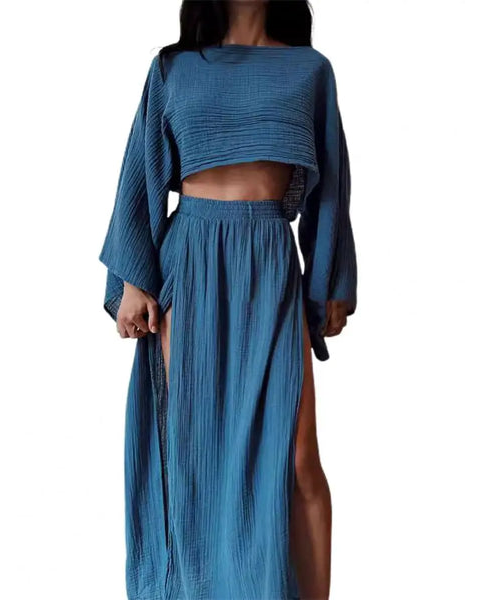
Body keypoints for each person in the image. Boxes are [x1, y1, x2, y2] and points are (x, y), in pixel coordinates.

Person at [98, 1, 357, 598]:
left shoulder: (310, 70)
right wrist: (134, 280)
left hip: (270, 264)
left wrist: (330, 280)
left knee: (298, 460)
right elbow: (140, 168)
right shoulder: (173, 68)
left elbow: (332, 189)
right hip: (189, 265)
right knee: (191, 456)